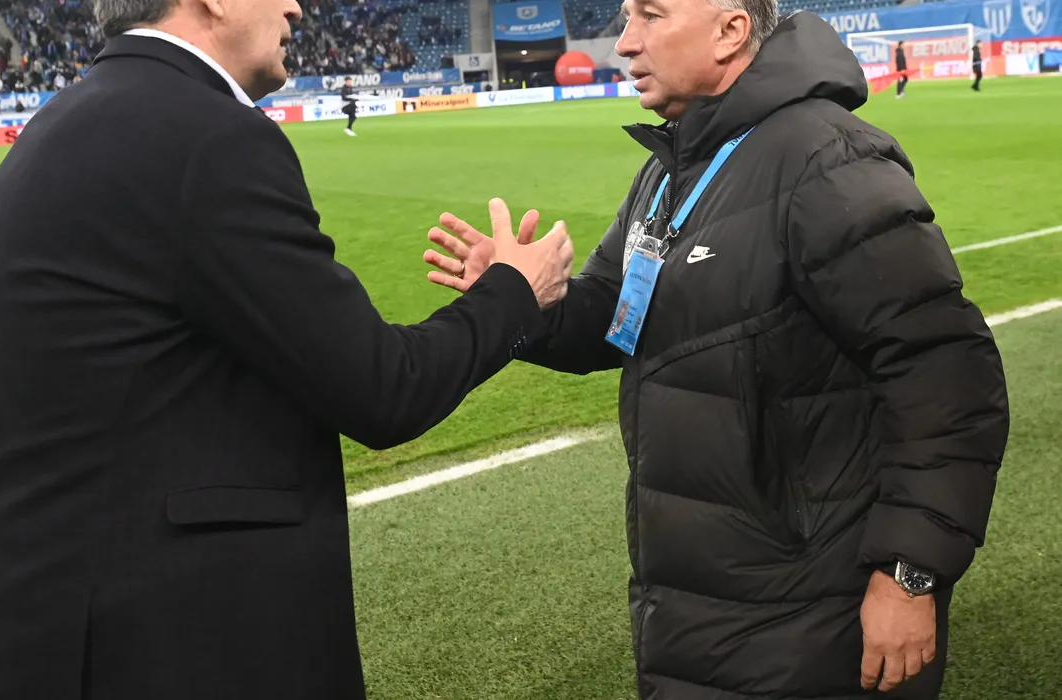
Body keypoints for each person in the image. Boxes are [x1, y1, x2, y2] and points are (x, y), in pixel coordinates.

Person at [0, 0, 575, 697]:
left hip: (27, 632)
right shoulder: (206, 136)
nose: (297, 6)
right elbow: (385, 388)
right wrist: (514, 291)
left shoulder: (60, 125)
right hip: (147, 647)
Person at [423, 4, 1009, 699]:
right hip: (697, 593)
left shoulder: (827, 159)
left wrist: (910, 573)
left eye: (650, 15)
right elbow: (618, 310)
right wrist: (525, 298)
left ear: (730, 31)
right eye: (624, 17)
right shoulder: (673, 167)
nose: (624, 43)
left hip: (811, 603)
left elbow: (946, 373)